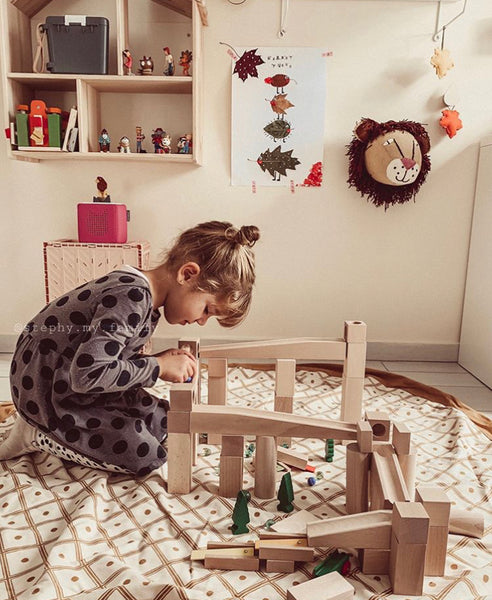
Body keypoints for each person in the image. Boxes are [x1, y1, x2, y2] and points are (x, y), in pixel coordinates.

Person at [7, 222, 260, 477]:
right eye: (207, 309)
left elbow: (106, 357)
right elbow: (87, 375)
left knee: (166, 419)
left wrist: (156, 360)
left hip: (73, 381)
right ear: (187, 274)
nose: (202, 321)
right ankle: (37, 432)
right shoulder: (132, 296)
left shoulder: (140, 294)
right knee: (145, 454)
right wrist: (158, 367)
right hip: (46, 391)